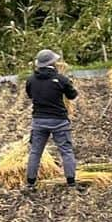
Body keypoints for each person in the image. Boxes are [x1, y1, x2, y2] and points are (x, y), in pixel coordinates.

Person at [25, 49, 79, 188]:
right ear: (53, 63)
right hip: (59, 121)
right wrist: (70, 85)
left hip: (39, 121)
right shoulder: (61, 79)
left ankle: (30, 183)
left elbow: (30, 95)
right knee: (66, 151)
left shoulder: (31, 80)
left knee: (35, 152)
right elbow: (72, 95)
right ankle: (71, 182)